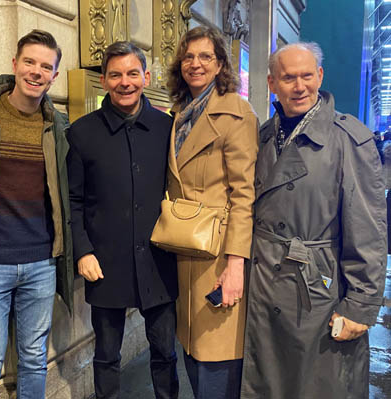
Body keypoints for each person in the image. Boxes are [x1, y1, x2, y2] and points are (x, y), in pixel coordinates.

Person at [240, 42, 387, 399]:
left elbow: (368, 230)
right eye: (289, 78)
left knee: (318, 386)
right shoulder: (264, 135)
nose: (299, 86)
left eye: (307, 76)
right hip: (265, 283)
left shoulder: (348, 139)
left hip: (317, 290)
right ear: (273, 83)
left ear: (319, 76)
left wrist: (360, 306)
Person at [0, 30, 73, 399]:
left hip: (41, 262)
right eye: (30, 62)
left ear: (54, 75)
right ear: (15, 64)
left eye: (46, 66)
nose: (36, 71)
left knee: (34, 360)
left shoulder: (58, 125)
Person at [67, 41, 179, 399]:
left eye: (132, 73)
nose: (125, 82)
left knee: (164, 350)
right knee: (106, 355)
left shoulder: (167, 128)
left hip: (158, 259)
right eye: (116, 75)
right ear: (104, 80)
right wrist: (82, 251)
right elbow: (73, 199)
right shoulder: (82, 133)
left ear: (145, 77)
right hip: (105, 260)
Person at [165, 27, 258, 398]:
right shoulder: (180, 113)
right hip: (185, 249)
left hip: (218, 255)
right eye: (188, 56)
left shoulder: (236, 112)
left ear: (220, 64)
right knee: (192, 352)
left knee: (216, 361)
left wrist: (236, 264)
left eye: (205, 56)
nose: (195, 63)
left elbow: (244, 194)